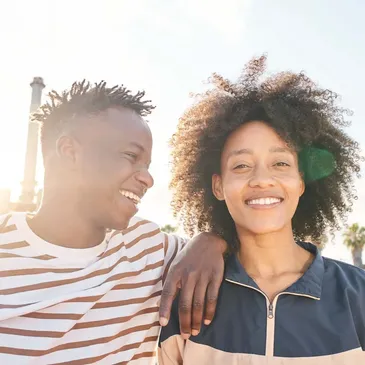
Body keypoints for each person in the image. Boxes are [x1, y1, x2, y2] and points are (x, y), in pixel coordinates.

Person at [0, 80, 227, 364]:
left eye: (147, 166)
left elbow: (253, 239)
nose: (147, 178)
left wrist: (210, 240)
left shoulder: (150, 251)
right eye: (131, 156)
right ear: (70, 152)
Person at [159, 55, 365, 364]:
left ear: (301, 182)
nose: (261, 180)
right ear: (218, 186)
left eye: (280, 163)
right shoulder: (187, 297)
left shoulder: (358, 295)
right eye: (241, 165)